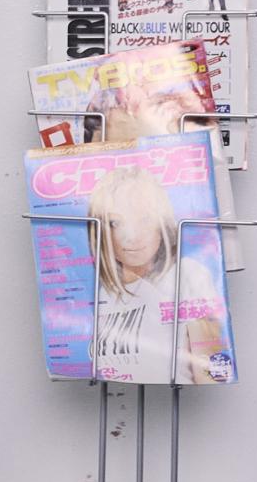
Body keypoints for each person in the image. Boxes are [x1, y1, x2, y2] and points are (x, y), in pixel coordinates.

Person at [88, 162, 230, 382]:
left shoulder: (188, 275)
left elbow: (210, 372)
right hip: (115, 395)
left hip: (176, 397)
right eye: (115, 223)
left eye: (145, 219)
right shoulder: (104, 293)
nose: (131, 236)